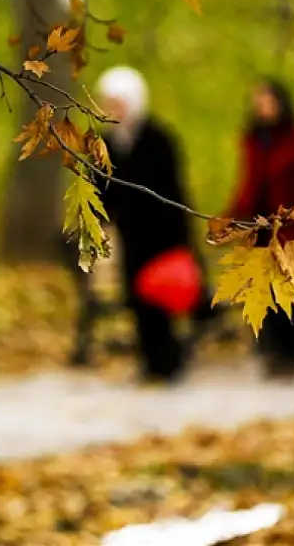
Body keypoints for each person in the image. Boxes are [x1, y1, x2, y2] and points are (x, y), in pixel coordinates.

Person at [94, 65, 219, 383]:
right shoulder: (104, 143)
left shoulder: (159, 138)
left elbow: (173, 189)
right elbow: (101, 191)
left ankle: (168, 360)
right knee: (138, 298)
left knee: (162, 297)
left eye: (118, 102)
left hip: (163, 233)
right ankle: (150, 360)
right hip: (131, 234)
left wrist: (180, 237)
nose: (113, 109)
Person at [223, 79, 294, 380]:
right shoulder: (255, 141)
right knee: (265, 290)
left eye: (267, 100)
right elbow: (248, 184)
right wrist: (231, 218)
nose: (262, 107)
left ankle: (292, 355)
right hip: (262, 230)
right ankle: (272, 352)